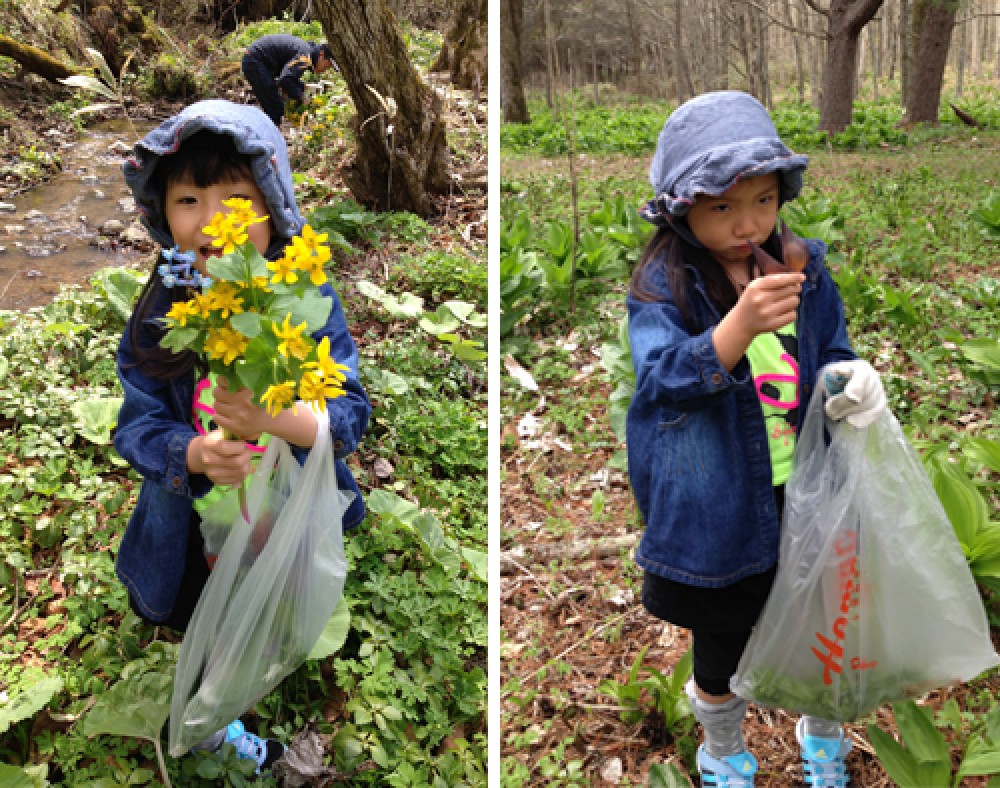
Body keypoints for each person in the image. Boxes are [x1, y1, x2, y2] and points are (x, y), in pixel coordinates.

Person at [626, 90, 886, 788]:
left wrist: (848, 380)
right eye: (723, 207)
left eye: (764, 201)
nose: (749, 223)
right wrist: (735, 329)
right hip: (719, 501)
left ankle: (822, 732)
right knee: (721, 637)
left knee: (822, 622)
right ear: (682, 208)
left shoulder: (801, 265)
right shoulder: (663, 287)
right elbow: (659, 382)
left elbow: (829, 348)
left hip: (805, 485)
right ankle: (723, 750)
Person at [115, 99, 370, 772]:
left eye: (238, 198)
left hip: (279, 515)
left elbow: (349, 413)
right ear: (163, 216)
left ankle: (234, 680)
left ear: (275, 208)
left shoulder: (303, 291)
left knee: (262, 605)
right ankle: (207, 724)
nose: (214, 220)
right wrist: (192, 452)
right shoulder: (158, 311)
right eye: (190, 198)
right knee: (202, 609)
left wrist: (273, 420)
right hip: (193, 523)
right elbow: (136, 427)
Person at [241, 34, 336, 127]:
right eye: (327, 65)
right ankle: (270, 136)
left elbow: (289, 77)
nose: (325, 69)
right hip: (254, 60)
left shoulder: (306, 53)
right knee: (275, 108)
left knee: (273, 105)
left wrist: (302, 87)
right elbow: (285, 79)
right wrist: (301, 97)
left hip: (256, 59)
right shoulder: (305, 57)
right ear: (321, 55)